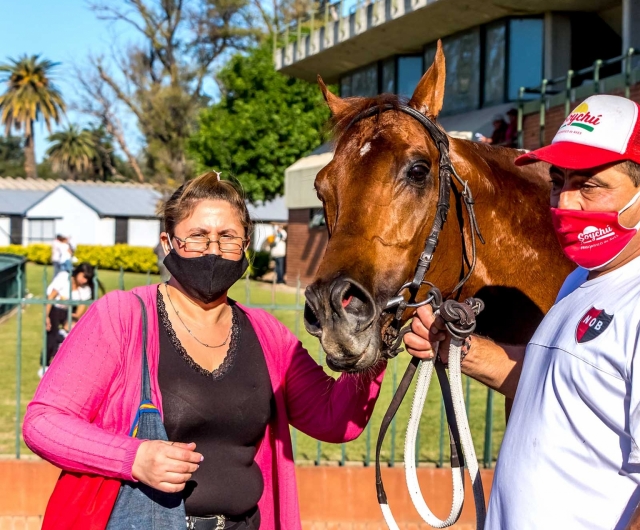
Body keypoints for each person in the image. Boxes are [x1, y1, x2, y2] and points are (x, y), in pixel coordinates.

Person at [404, 95, 640, 529]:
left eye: (589, 186)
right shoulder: (583, 279)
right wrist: (460, 349)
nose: (565, 204)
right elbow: (553, 385)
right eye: (559, 181)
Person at [24, 172, 385, 529]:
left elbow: (334, 419)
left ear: (245, 247)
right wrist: (134, 458)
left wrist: (380, 341)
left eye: (227, 237)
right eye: (197, 236)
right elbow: (43, 422)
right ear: (167, 243)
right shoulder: (120, 317)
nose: (213, 249)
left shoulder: (267, 335)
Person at [41, 262, 97, 376]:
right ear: (78, 273)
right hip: (55, 309)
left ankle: (62, 364)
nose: (85, 280)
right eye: (84, 276)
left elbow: (82, 306)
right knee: (51, 336)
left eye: (88, 278)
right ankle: (45, 365)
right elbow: (51, 297)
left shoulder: (85, 288)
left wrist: (75, 318)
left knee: (70, 336)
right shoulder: (64, 278)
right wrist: (46, 317)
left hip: (69, 311)